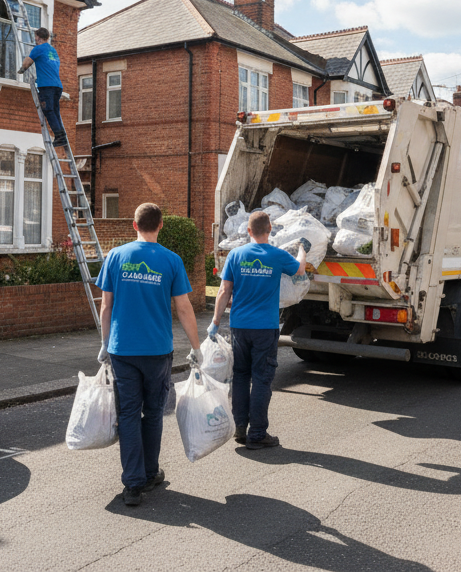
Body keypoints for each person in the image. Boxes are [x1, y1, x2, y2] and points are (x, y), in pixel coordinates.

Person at [97, 202, 203, 507]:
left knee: (128, 414)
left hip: (122, 350)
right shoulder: (171, 260)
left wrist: (105, 343)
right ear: (160, 226)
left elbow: (106, 305)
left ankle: (133, 484)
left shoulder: (116, 256)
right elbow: (183, 308)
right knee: (153, 413)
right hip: (157, 351)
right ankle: (150, 472)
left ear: (134, 225)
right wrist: (196, 348)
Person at [208, 210, 306, 450]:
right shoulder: (277, 255)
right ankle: (258, 433)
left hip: (239, 326)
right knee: (262, 378)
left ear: (248, 231)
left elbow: (224, 291)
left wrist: (215, 322)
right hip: (265, 327)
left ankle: (240, 428)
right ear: (270, 230)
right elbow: (300, 271)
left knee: (241, 375)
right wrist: (302, 249)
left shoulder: (236, 255)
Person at [19, 27, 67, 148]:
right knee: (55, 111)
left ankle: (60, 136)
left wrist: (22, 69)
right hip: (57, 86)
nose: (34, 39)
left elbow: (27, 63)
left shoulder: (38, 48)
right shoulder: (52, 50)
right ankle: (62, 135)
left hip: (47, 86)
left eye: (35, 37)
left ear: (39, 37)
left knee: (48, 110)